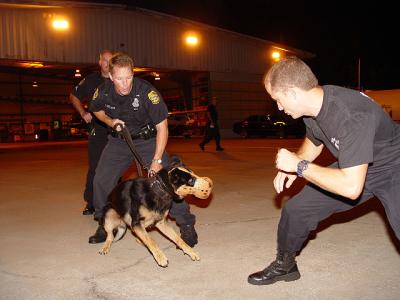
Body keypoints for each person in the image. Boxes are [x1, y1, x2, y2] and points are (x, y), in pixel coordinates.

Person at [248, 56, 400, 285]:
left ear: (293, 93)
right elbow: (314, 143)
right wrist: (296, 162)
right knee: (296, 210)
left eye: (277, 100)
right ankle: (286, 265)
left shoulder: (350, 115)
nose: (279, 107)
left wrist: (299, 166)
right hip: (355, 163)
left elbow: (350, 188)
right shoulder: (314, 107)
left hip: (393, 167)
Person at [88, 52, 198, 247]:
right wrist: (109, 121)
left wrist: (156, 160)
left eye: (128, 77)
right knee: (101, 180)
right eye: (119, 79)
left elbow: (162, 127)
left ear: (133, 73)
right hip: (118, 142)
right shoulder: (103, 91)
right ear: (111, 76)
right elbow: (95, 109)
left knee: (167, 182)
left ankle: (186, 224)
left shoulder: (147, 93)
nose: (125, 84)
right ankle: (105, 222)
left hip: (147, 141)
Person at [69, 49, 113, 215]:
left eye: (111, 61)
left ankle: (114, 199)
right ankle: (92, 202)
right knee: (95, 166)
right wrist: (82, 112)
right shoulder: (91, 80)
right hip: (98, 129)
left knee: (117, 166)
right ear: (99, 62)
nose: (107, 64)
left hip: (117, 129)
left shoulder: (120, 79)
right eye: (105, 60)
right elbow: (74, 96)